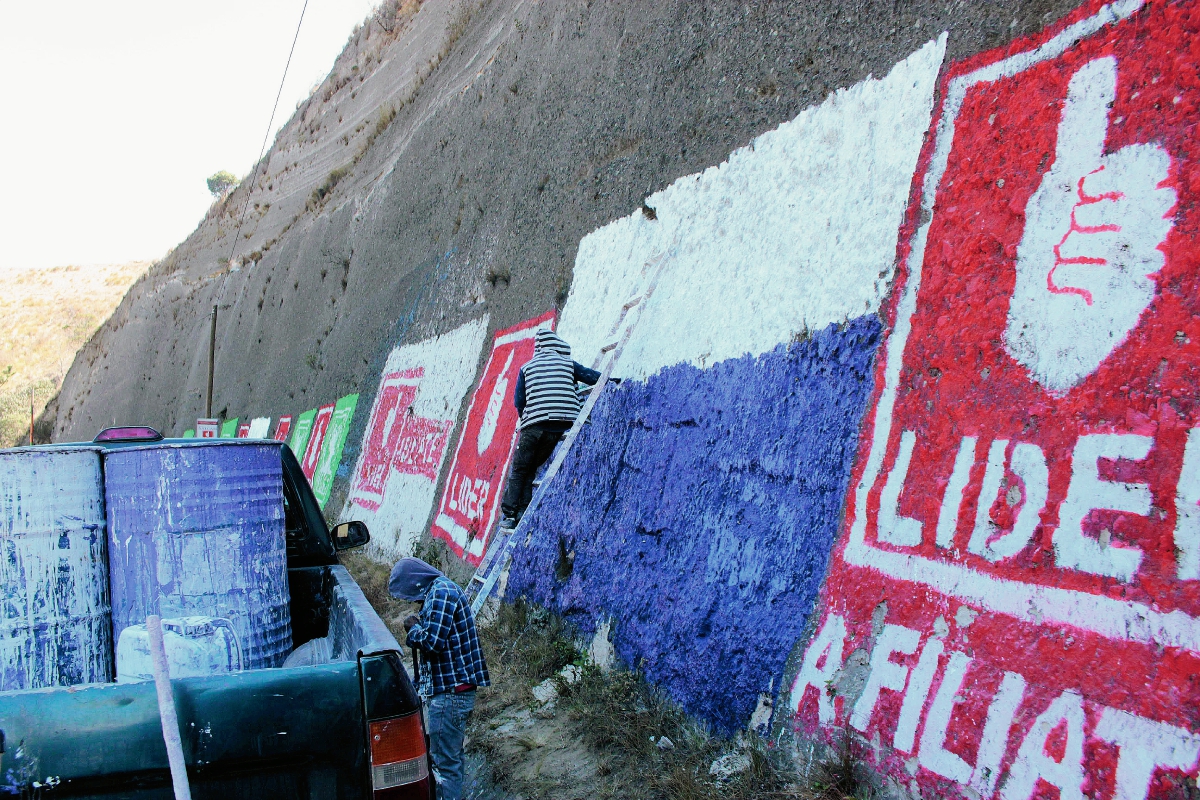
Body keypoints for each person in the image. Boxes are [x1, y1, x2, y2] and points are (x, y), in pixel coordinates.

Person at [389, 557, 490, 800]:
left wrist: (413, 629)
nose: (413, 601)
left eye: (409, 594)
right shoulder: (438, 592)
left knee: (444, 765)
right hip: (450, 689)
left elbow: (432, 643)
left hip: (452, 692)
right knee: (449, 758)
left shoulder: (441, 592)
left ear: (415, 582)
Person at [499, 328, 600, 528]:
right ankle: (521, 512)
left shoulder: (527, 368)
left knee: (520, 469)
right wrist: (612, 379)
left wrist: (527, 419)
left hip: (533, 427)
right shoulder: (567, 364)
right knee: (531, 468)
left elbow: (519, 401)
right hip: (558, 427)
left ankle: (510, 515)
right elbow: (591, 376)